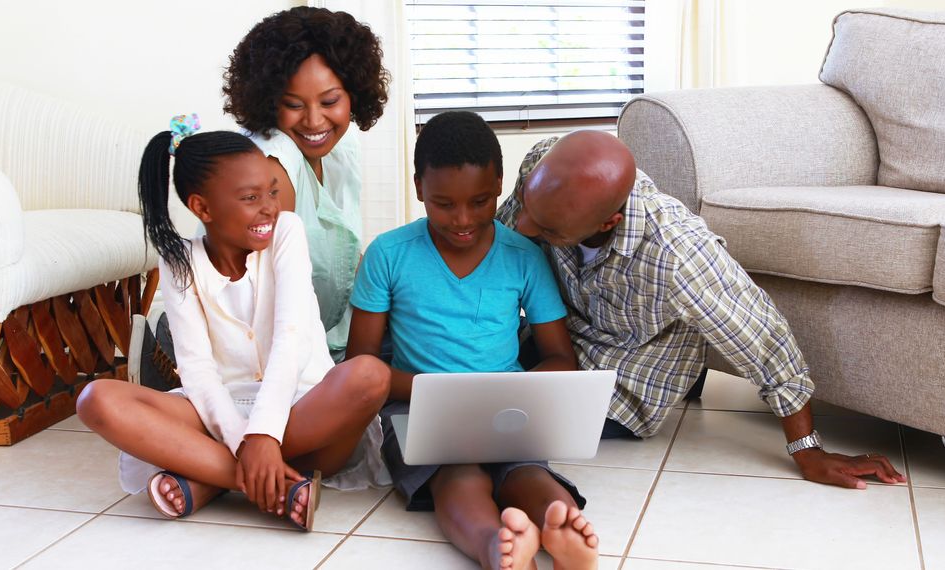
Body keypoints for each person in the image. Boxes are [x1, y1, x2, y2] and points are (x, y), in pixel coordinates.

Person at [497, 130, 908, 490]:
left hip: (627, 367)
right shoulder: (543, 164)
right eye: (529, 206)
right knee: (468, 379)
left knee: (506, 425)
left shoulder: (678, 256)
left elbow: (765, 340)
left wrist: (808, 450)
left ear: (608, 222)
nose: (525, 227)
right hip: (559, 333)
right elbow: (506, 243)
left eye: (548, 229)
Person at [76, 117, 391, 531]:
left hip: (304, 407)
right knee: (95, 399)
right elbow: (199, 372)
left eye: (272, 192)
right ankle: (267, 483)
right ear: (201, 207)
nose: (269, 208)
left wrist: (263, 434)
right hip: (220, 414)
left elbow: (290, 340)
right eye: (250, 197)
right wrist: (245, 442)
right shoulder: (178, 262)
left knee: (369, 376)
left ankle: (211, 478)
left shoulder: (286, 233)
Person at [346, 112, 598, 570]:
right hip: (416, 407)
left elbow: (561, 357)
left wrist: (514, 392)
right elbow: (360, 367)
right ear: (418, 186)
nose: (463, 220)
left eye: (480, 201)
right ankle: (495, 547)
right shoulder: (388, 254)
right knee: (453, 473)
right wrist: (433, 389)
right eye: (444, 204)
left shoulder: (524, 257)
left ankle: (559, 525)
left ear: (501, 184)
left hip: (504, 407)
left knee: (525, 471)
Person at [222, 6, 390, 359]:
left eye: (329, 101)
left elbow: (337, 253)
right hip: (268, 354)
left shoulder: (342, 148)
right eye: (294, 105)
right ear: (269, 102)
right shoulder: (273, 162)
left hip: (325, 337)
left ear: (353, 94)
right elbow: (246, 295)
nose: (314, 121)